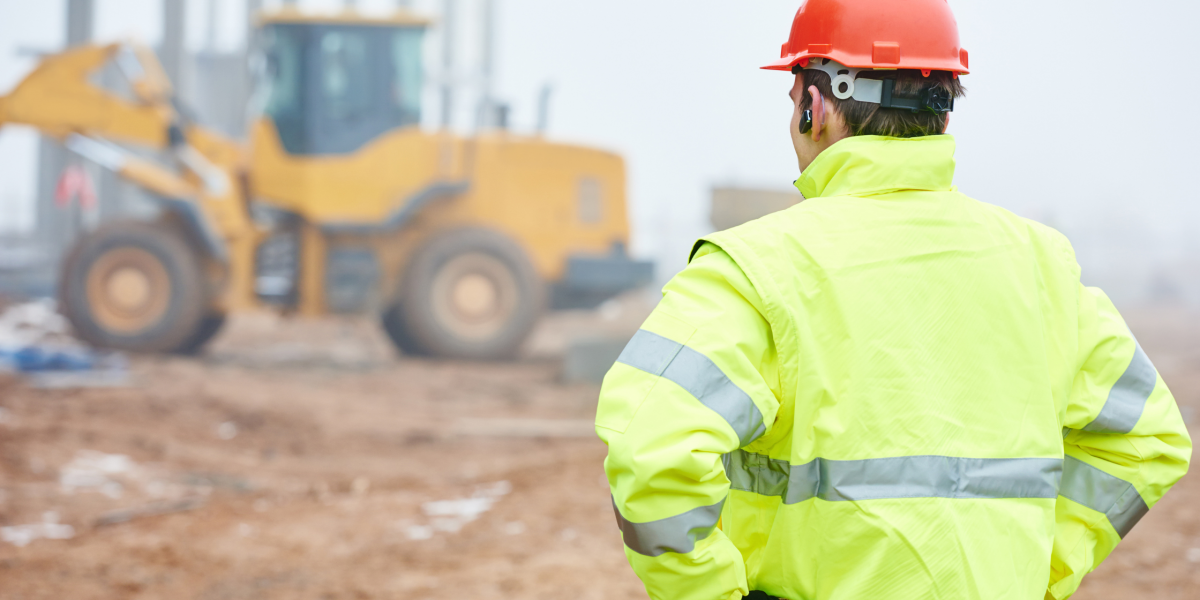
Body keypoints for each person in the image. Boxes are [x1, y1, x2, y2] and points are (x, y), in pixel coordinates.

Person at [594, 1, 1193, 599]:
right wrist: (1040, 570)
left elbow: (652, 453)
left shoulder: (754, 270)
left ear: (813, 105)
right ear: (944, 111)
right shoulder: (1042, 266)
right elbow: (1148, 439)